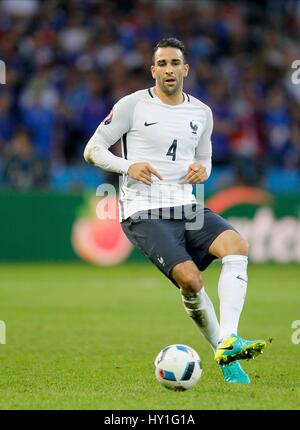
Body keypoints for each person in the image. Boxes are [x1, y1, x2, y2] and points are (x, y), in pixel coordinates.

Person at [84, 38, 266, 384]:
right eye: (162, 64)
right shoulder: (132, 106)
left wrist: (204, 170)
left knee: (237, 247)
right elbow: (92, 150)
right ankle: (224, 349)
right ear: (153, 71)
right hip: (143, 212)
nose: (169, 69)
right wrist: (127, 167)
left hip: (187, 207)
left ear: (185, 69)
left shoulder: (202, 112)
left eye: (174, 63)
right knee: (190, 281)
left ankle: (228, 341)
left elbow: (205, 158)